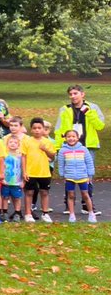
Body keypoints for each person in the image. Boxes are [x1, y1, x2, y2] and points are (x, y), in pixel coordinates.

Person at [54, 84, 103, 215]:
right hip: (69, 145)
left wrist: (89, 113)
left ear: (82, 94)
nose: (73, 96)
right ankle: (68, 204)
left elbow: (100, 125)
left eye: (75, 93)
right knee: (69, 174)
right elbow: (59, 128)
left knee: (87, 175)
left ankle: (87, 205)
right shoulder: (65, 109)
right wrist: (59, 146)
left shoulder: (93, 107)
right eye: (70, 94)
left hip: (87, 145)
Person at [57, 129, 97, 223]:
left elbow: (89, 162)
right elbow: (61, 164)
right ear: (65, 138)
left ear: (78, 138)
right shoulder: (63, 150)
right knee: (70, 195)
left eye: (73, 136)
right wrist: (62, 174)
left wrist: (90, 173)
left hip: (82, 175)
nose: (71, 138)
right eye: (69, 137)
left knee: (85, 194)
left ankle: (91, 213)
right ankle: (72, 214)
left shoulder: (83, 149)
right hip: (70, 176)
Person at [23, 118, 55, 222]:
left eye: (39, 128)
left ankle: (45, 213)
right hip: (31, 171)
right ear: (31, 130)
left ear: (43, 129)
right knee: (29, 193)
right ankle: (28, 213)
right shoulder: (26, 141)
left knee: (44, 192)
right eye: (34, 128)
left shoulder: (47, 142)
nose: (37, 130)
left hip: (44, 172)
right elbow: (23, 157)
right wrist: (24, 171)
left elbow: (53, 157)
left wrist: (45, 149)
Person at [1, 135, 26, 222]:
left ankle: (17, 213)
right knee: (5, 197)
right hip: (6, 181)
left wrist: (23, 181)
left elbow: (23, 168)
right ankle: (4, 213)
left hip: (17, 182)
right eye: (10, 142)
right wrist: (2, 179)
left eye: (15, 143)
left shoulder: (20, 156)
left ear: (19, 145)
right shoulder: (4, 155)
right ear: (7, 144)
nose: (13, 144)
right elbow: (1, 167)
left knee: (17, 198)